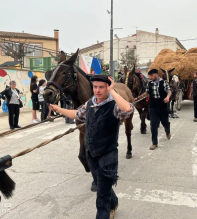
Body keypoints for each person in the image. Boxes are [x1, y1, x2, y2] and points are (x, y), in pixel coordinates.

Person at [50, 75, 134, 219]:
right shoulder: (90, 103)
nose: (97, 90)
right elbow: (77, 114)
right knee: (103, 184)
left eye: (101, 87)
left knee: (101, 195)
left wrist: (113, 92)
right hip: (92, 154)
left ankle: (104, 213)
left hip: (108, 155)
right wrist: (59, 109)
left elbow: (128, 109)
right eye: (95, 87)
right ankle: (113, 202)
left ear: (107, 88)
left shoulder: (114, 105)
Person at [135, 68, 171, 150]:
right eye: (149, 76)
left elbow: (169, 91)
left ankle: (167, 131)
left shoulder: (164, 82)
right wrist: (137, 98)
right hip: (153, 107)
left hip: (162, 106)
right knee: (153, 125)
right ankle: (154, 143)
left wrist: (168, 97)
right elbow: (147, 93)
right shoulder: (150, 84)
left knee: (165, 122)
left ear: (156, 74)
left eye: (151, 75)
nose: (150, 77)